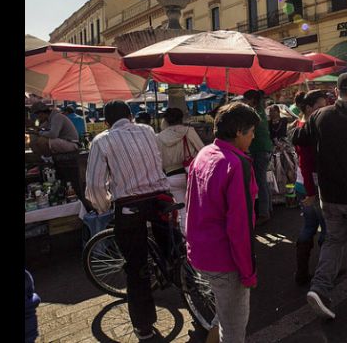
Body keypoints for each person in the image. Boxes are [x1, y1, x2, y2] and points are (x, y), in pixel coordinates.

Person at [85, 101, 173, 341]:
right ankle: (183, 275)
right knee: (173, 247)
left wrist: (103, 205)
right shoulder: (147, 130)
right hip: (162, 198)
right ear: (131, 117)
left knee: (137, 267)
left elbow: (94, 185)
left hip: (130, 207)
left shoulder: (102, 140)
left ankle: (144, 328)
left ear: (106, 123)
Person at [292, 72, 347, 319]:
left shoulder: (320, 115)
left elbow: (297, 137)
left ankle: (319, 287)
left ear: (337, 92)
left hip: (328, 194)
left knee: (334, 241)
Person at [185, 102, 260, 343]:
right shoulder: (237, 164)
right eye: (250, 132)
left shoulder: (204, 154)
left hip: (201, 254)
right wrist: (248, 272)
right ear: (239, 132)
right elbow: (240, 227)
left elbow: (191, 205)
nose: (253, 137)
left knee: (226, 311)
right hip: (225, 259)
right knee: (235, 330)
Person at [291, 90, 329, 285]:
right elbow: (306, 164)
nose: (324, 110)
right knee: (326, 230)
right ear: (308, 108)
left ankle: (303, 272)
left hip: (304, 185)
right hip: (311, 187)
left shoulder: (302, 124)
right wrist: (312, 193)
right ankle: (324, 274)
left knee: (310, 227)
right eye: (320, 107)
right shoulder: (307, 128)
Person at [156, 107, 206, 235]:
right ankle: (200, 236)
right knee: (198, 207)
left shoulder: (159, 137)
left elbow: (157, 161)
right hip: (191, 173)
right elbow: (202, 151)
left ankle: (187, 240)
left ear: (165, 120)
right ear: (181, 118)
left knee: (182, 210)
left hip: (171, 176)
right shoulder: (188, 131)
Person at [242, 90, 273, 225]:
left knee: (260, 181)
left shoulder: (255, 113)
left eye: (246, 100)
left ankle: (264, 213)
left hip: (260, 150)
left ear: (252, 100)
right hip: (263, 149)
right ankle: (267, 209)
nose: (245, 102)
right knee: (263, 181)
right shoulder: (258, 110)